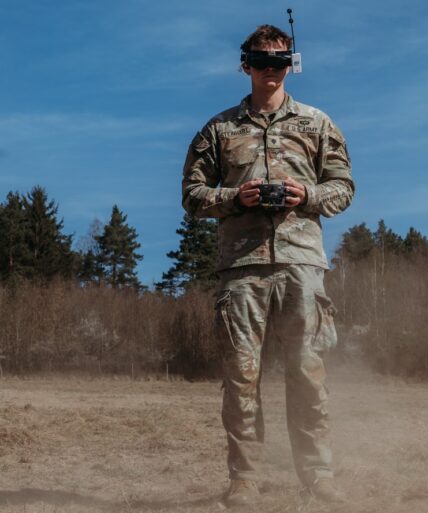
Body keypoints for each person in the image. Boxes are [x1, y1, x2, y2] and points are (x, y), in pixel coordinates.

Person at [181, 24, 354, 507]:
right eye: (261, 60)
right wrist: (235, 198)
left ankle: (318, 474)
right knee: (241, 376)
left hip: (301, 265)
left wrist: (309, 194)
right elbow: (192, 196)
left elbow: (344, 187)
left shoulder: (317, 124)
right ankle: (245, 480)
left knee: (307, 373)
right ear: (246, 65)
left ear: (289, 64)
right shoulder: (218, 130)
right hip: (242, 268)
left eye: (279, 60)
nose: (270, 69)